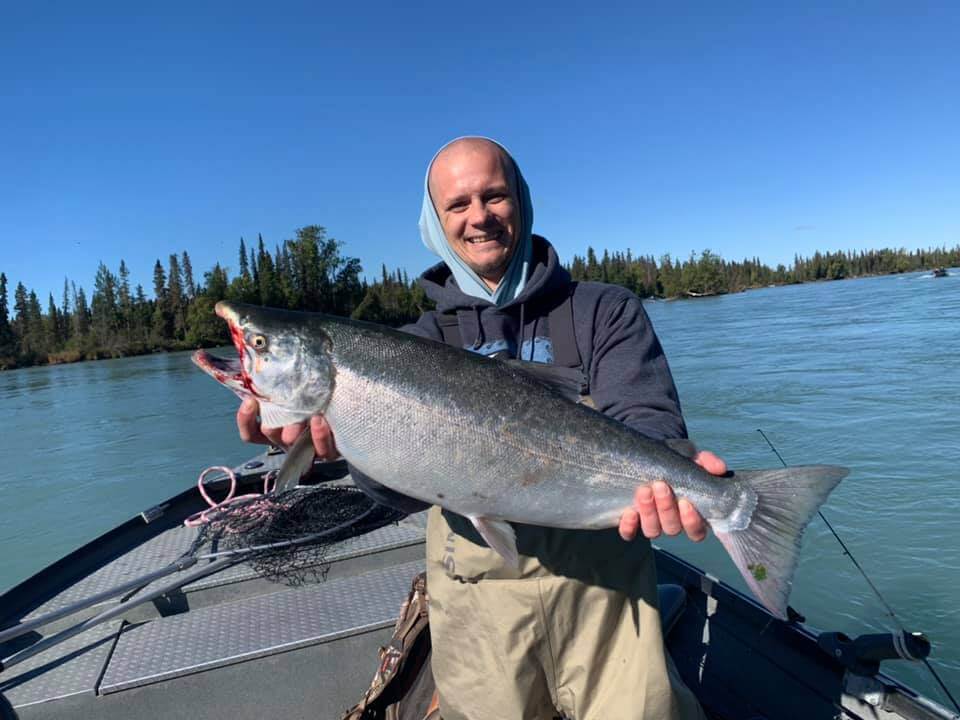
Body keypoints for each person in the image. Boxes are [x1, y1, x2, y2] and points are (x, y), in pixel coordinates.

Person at [237, 137, 727, 720]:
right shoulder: (414, 345)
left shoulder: (603, 309)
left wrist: (673, 479)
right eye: (458, 204)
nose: (479, 217)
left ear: (520, 200)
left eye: (494, 196)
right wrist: (345, 452)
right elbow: (398, 490)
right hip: (475, 591)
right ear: (435, 221)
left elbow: (648, 419)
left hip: (607, 587)